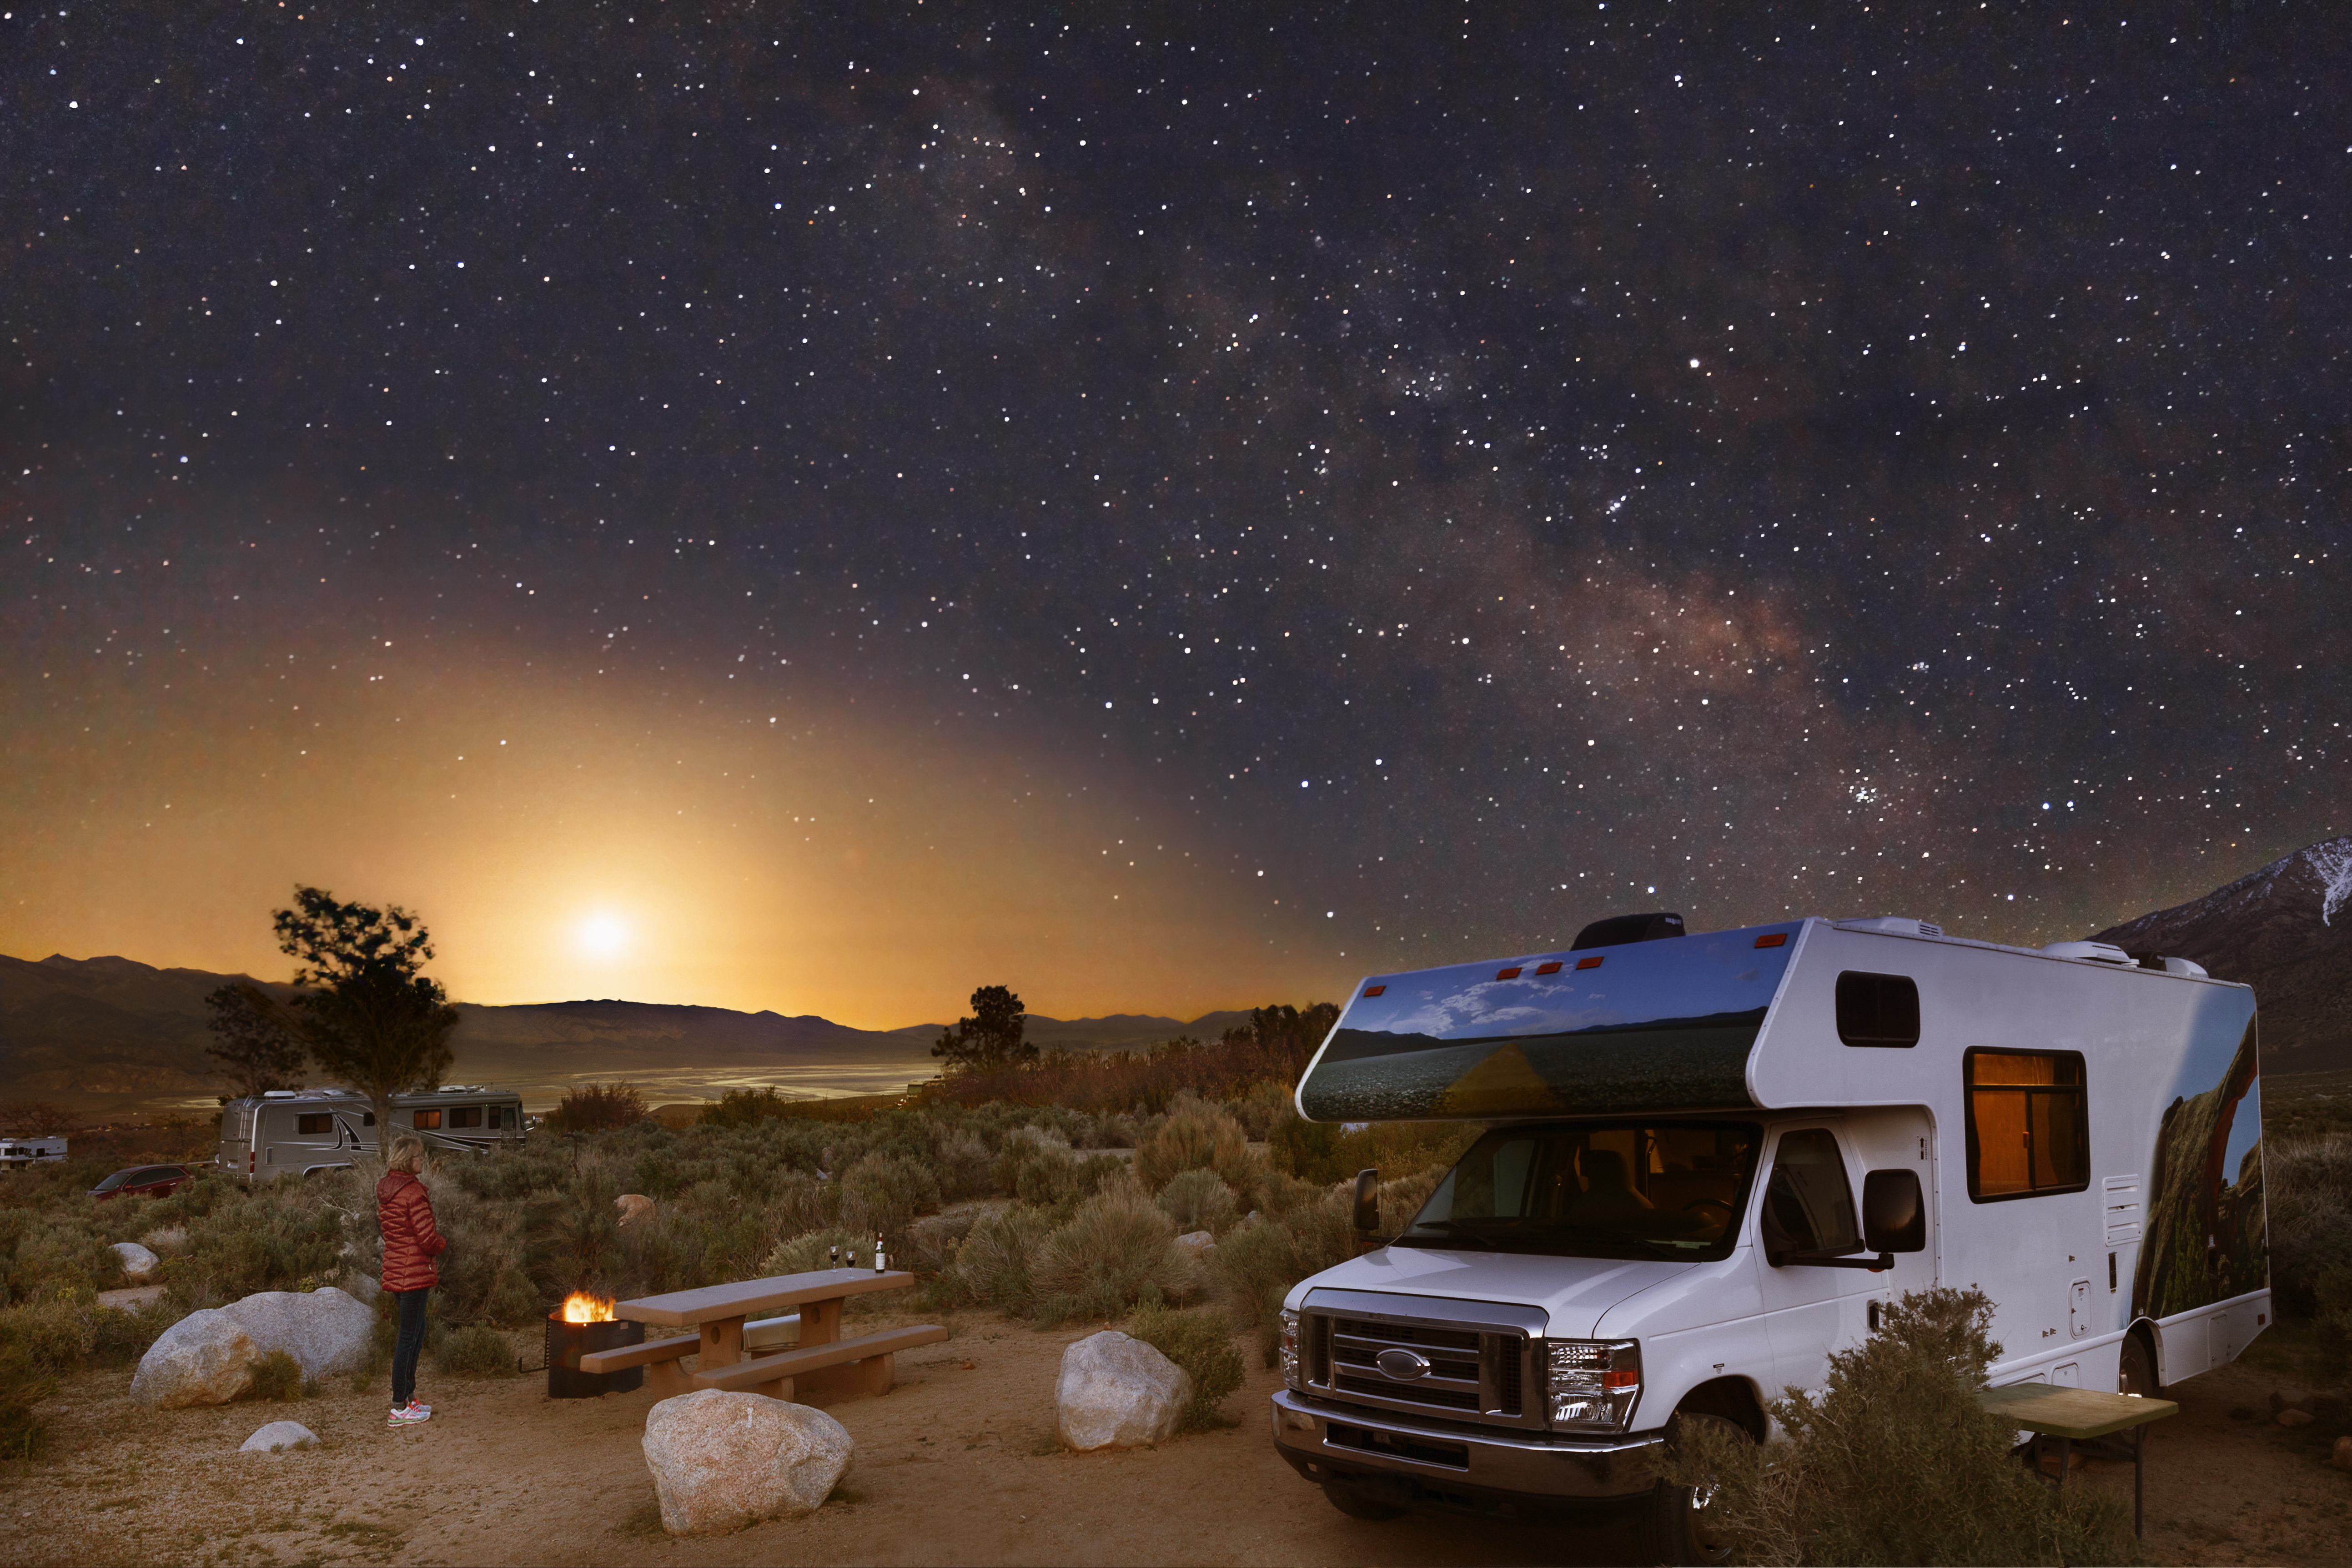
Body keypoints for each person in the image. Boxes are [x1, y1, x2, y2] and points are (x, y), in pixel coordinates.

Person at [377, 1133, 447, 1427]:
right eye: (419, 1156)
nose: (423, 1160)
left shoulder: (386, 1190)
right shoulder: (414, 1192)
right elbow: (427, 1238)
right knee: (409, 1336)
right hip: (415, 1273)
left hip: (397, 1270)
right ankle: (398, 1406)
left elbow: (393, 1234)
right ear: (408, 1160)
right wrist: (442, 1244)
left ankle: (408, 1397)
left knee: (416, 1332)